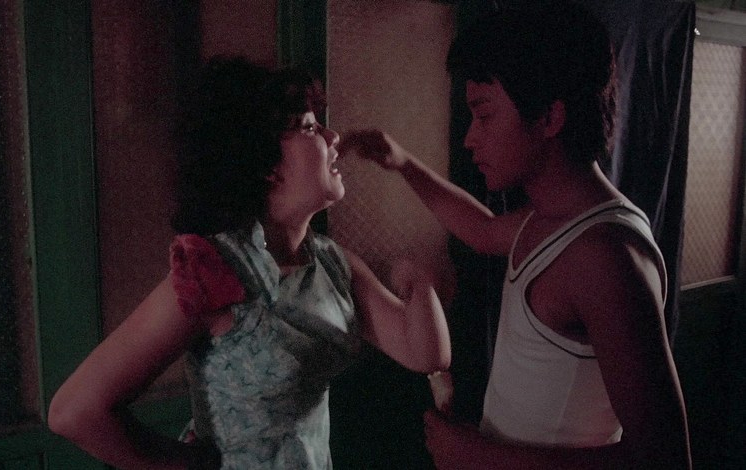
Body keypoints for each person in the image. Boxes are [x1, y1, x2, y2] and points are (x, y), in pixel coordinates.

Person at [47, 56, 451, 470]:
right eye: (310, 128)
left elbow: (426, 355)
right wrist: (187, 465)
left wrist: (416, 282)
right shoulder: (215, 270)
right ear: (265, 164)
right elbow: (74, 411)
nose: (333, 137)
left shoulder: (330, 263)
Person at [339, 1, 691, 468]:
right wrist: (403, 163)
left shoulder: (603, 256)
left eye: (484, 115)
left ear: (550, 118)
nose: (470, 138)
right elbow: (482, 229)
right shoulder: (547, 220)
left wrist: (477, 454)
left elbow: (663, 458)